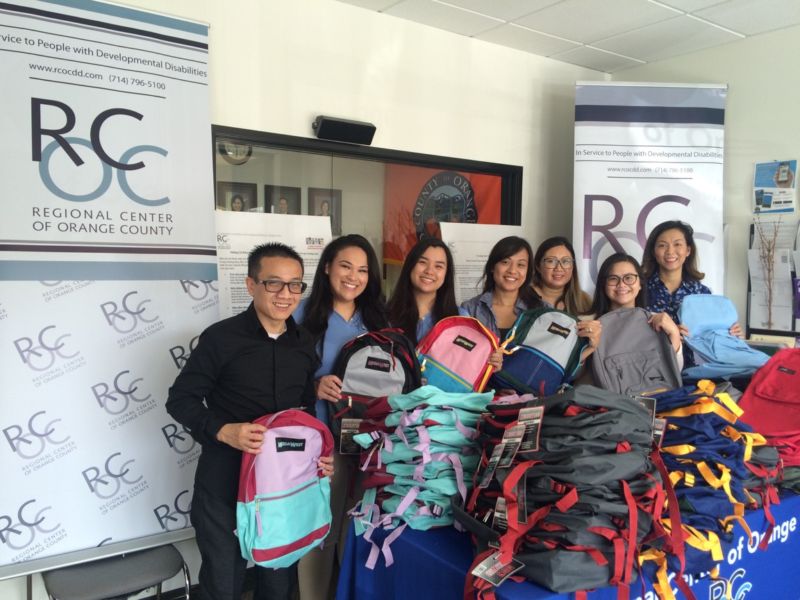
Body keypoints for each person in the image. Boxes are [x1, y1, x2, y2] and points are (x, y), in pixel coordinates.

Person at [166, 243, 334, 600]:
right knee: (223, 583)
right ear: (251, 285)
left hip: (281, 487)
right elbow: (180, 399)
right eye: (274, 283)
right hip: (224, 483)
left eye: (295, 285)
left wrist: (317, 458)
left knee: (279, 582)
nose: (285, 294)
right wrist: (223, 430)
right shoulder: (220, 338)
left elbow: (302, 412)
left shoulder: (303, 342)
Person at [293, 234, 388, 600]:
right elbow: (277, 374)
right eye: (346, 266)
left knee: (358, 527)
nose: (354, 277)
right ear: (327, 267)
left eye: (363, 270)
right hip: (322, 444)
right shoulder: (301, 314)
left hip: (369, 444)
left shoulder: (377, 319)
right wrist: (312, 386)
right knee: (320, 531)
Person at [641, 220, 741, 337]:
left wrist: (731, 333)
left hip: (691, 350)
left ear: (688, 250)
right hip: (649, 349)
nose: (670, 251)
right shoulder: (639, 289)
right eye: (662, 245)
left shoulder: (702, 293)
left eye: (677, 244)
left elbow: (711, 335)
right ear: (653, 251)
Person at [590, 252, 683, 361]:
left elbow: (675, 369)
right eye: (613, 278)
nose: (622, 284)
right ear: (603, 284)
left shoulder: (658, 322)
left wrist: (674, 334)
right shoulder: (590, 324)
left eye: (629, 278)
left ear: (640, 284)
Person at [387, 238, 461, 346]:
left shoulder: (460, 318)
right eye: (422, 262)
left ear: (446, 274)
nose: (429, 271)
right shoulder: (385, 316)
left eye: (438, 266)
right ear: (410, 265)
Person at [531, 236, 592, 315]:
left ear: (573, 266)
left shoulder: (585, 301)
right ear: (538, 266)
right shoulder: (524, 298)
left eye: (565, 261)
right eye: (551, 261)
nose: (559, 268)